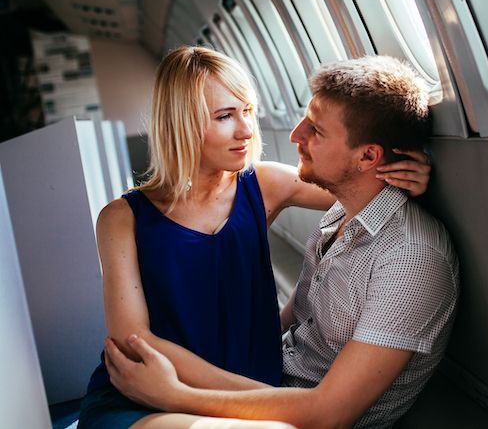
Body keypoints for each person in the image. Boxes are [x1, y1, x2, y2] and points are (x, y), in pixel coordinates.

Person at [77, 48, 432, 429]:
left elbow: (354, 183)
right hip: (146, 396)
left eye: (247, 110)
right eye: (225, 116)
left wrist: (406, 177)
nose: (246, 130)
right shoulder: (120, 218)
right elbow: (134, 341)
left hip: (247, 400)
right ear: (182, 123)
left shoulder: (264, 185)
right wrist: (231, 396)